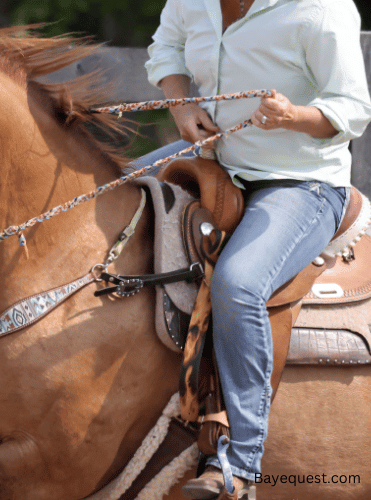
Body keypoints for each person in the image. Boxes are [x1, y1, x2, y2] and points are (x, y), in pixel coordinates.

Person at [138, 0, 371, 498]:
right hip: (216, 163)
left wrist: (293, 116)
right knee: (109, 197)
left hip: (302, 185)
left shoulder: (321, 9)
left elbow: (352, 110)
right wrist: (181, 103)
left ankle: (238, 461)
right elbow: (167, 47)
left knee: (239, 284)